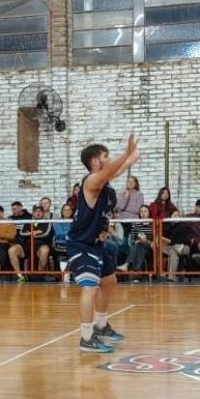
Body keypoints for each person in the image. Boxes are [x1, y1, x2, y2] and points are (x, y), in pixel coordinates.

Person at [67, 137, 140, 353]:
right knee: (90, 287)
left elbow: (114, 171)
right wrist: (126, 155)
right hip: (81, 244)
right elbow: (111, 171)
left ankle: (100, 325)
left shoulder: (105, 183)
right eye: (106, 156)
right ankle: (86, 338)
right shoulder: (91, 181)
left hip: (98, 243)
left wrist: (129, 160)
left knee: (109, 282)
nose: (110, 159)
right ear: (95, 161)